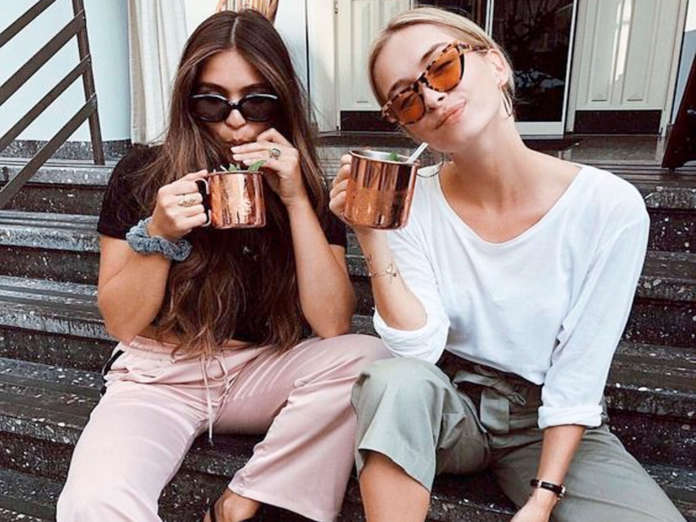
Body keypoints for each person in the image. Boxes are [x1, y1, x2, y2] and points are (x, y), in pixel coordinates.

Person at [329, 7, 685, 522]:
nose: (432, 98)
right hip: (450, 406)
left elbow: (580, 371)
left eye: (442, 66)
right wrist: (372, 235)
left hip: (544, 420)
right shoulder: (413, 201)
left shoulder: (608, 206)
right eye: (406, 99)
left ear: (495, 64)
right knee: (392, 380)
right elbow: (418, 350)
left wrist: (543, 498)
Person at [56, 9, 388, 522]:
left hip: (261, 369)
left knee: (371, 358)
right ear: (188, 103)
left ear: (282, 102)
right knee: (93, 504)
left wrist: (297, 200)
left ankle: (243, 501)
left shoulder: (301, 182)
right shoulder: (142, 173)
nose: (235, 120)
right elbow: (121, 323)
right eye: (212, 102)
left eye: (256, 102)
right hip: (160, 376)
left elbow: (332, 324)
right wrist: (160, 234)